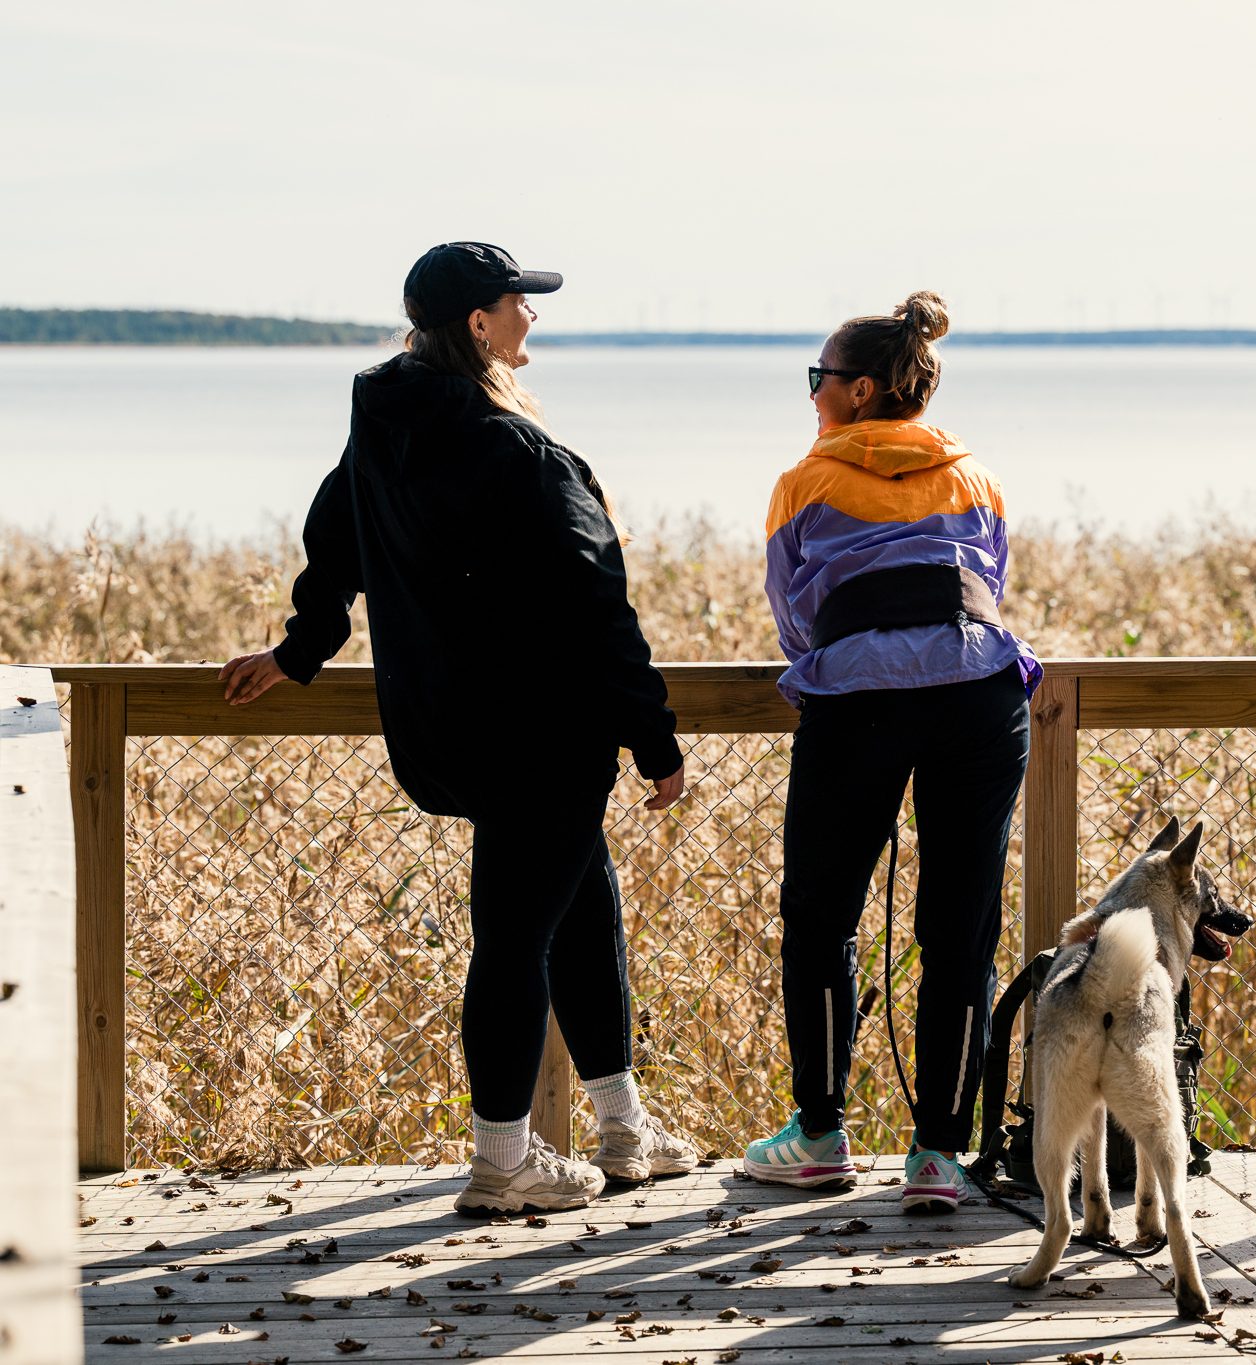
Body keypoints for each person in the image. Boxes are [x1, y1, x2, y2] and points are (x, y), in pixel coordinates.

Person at [219, 241, 695, 1214]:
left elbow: (332, 543)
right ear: (478, 322)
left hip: (447, 731)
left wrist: (299, 652)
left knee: (580, 899)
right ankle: (504, 1161)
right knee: (516, 936)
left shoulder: (386, 425)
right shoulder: (521, 450)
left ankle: (621, 1127)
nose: (533, 317)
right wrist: (654, 740)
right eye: (521, 302)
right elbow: (600, 603)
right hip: (545, 733)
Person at [745, 291, 1042, 1214]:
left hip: (858, 703)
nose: (812, 396)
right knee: (961, 928)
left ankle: (822, 1134)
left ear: (861, 389)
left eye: (819, 380)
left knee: (822, 914)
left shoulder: (805, 481)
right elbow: (989, 581)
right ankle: (938, 1157)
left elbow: (795, 620)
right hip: (978, 696)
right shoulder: (976, 478)